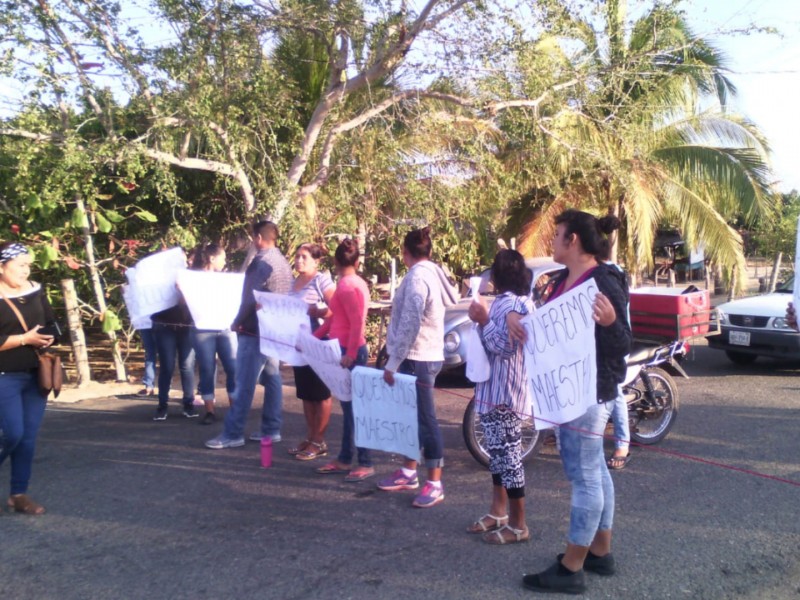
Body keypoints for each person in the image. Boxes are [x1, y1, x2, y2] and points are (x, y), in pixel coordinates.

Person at [509, 210, 631, 594]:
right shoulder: (563, 280)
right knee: (595, 472)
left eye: (558, 233)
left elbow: (622, 346)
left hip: (590, 394)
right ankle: (600, 551)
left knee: (584, 477)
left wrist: (611, 323)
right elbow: (546, 329)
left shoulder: (604, 281)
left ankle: (572, 564)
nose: (554, 240)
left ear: (573, 239)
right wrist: (518, 321)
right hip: (569, 393)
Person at [377, 227, 458, 508]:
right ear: (429, 251)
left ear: (405, 252)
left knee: (425, 420)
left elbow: (410, 324)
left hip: (418, 357)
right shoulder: (431, 273)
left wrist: (393, 362)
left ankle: (434, 482)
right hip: (421, 354)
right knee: (408, 418)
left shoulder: (418, 278)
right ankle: (409, 471)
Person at [467, 249, 534, 543]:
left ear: (496, 275)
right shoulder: (507, 303)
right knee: (498, 458)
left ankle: (519, 525)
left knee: (509, 459)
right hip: (493, 392)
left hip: (505, 395)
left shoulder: (515, 305)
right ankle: (499, 511)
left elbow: (505, 348)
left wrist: (483, 321)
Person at [205, 220, 292, 449]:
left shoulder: (260, 263)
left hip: (254, 330)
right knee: (273, 379)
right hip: (274, 329)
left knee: (244, 382)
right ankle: (271, 429)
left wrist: (236, 322)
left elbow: (249, 299)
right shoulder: (283, 263)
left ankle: (233, 433)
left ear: (258, 238)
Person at [0, 242, 57, 515]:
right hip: (3, 375)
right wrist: (24, 338)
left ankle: (18, 494)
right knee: (11, 433)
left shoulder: (36, 289)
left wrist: (49, 335)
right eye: (20, 265)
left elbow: (52, 322)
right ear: (2, 266)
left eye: (28, 264)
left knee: (27, 438)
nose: (26, 270)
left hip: (36, 375)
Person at [313, 239, 373, 480]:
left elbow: (358, 321)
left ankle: (365, 461)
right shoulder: (349, 283)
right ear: (357, 262)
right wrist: (314, 338)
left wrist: (349, 353)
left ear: (336, 261)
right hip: (345, 350)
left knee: (355, 410)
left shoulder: (348, 286)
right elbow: (334, 318)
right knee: (349, 409)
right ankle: (346, 458)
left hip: (351, 352)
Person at [287, 243, 335, 460]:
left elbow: (337, 309)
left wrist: (319, 311)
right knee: (306, 394)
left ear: (316, 261)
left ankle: (319, 440)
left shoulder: (321, 280)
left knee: (321, 393)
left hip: (319, 342)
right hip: (299, 345)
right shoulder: (293, 282)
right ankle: (311, 436)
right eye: (297, 256)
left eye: (304, 257)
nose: (299, 260)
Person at [190, 243, 237, 425]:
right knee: (207, 368)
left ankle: (235, 408)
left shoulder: (225, 280)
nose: (225, 261)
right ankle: (209, 410)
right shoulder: (193, 279)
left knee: (233, 367)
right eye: (222, 257)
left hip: (225, 327)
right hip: (203, 328)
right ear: (211, 258)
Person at [151, 253, 197, 421]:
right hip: (165, 326)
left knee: (187, 365)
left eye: (187, 260)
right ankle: (162, 406)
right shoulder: (159, 279)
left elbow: (192, 302)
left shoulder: (191, 277)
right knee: (167, 366)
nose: (186, 262)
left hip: (185, 327)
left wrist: (183, 290)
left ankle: (188, 404)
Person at [136, 322, 157, 397]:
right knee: (150, 355)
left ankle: (164, 388)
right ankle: (149, 386)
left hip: (161, 322)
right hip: (146, 323)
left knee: (164, 356)